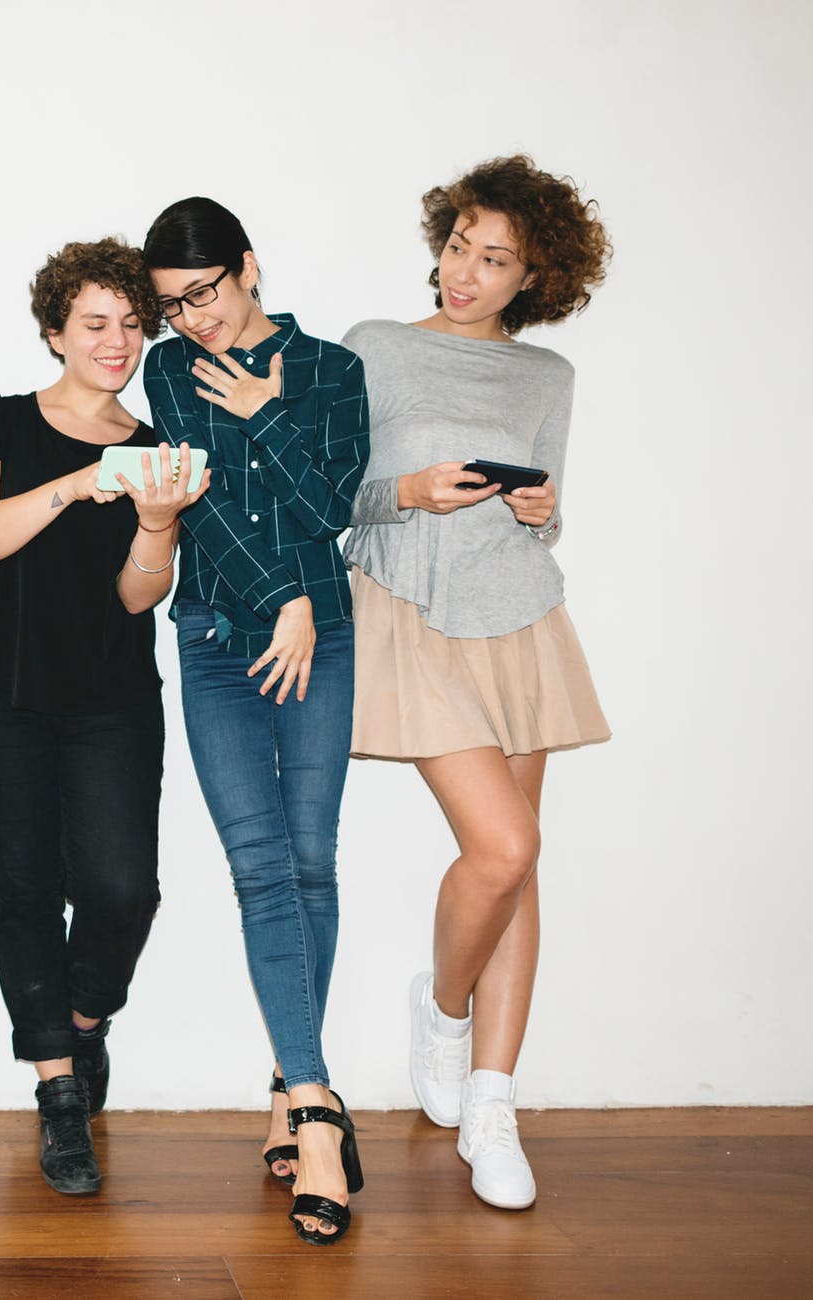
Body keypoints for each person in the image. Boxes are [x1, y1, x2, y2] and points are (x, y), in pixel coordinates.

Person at [344, 155, 611, 1212]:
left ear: (530, 277)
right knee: (500, 847)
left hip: (517, 613)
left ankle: (492, 1099)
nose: (463, 270)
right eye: (458, 244)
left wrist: (544, 511)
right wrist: (406, 488)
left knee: (520, 863)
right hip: (408, 608)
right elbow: (336, 498)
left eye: (492, 258)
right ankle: (443, 1011)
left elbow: (550, 496)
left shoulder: (548, 379)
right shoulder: (375, 348)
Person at [0, 238, 204, 1196]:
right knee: (22, 888)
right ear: (55, 330)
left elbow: (140, 598)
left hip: (108, 696)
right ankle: (58, 1098)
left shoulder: (159, 444)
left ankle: (83, 1019)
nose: (117, 340)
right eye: (95, 323)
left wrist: (156, 520)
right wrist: (75, 482)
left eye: (133, 323)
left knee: (124, 889)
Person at [142, 197, 370, 1244]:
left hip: (322, 638)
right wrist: (278, 594)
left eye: (203, 293)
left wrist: (261, 414)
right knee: (257, 865)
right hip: (218, 641)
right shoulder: (163, 370)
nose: (189, 320)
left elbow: (331, 503)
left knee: (311, 860)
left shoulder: (330, 369)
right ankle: (319, 1106)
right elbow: (197, 507)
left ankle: (289, 1081)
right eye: (169, 305)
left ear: (247, 268)